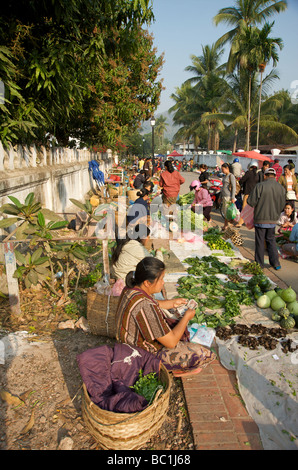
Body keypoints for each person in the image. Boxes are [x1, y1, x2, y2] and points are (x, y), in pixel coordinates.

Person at [115, 257, 216, 377]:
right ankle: (171, 371)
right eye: (161, 279)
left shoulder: (131, 288)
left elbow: (155, 302)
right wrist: (186, 317)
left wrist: (173, 303)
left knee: (177, 328)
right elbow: (171, 342)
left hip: (125, 343)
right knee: (203, 354)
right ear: (147, 282)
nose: (163, 282)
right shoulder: (145, 306)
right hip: (139, 355)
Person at [247, 167, 286, 270]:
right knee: (271, 240)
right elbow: (283, 206)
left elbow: (251, 202)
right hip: (273, 219)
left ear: (265, 175)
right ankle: (276, 263)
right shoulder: (281, 188)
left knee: (260, 242)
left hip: (260, 218)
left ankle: (259, 265)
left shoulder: (260, 186)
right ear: (275, 176)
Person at [235, 161, 259, 227]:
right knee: (252, 209)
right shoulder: (257, 174)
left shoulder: (248, 173)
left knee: (244, 208)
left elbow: (242, 181)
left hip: (247, 193)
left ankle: (240, 223)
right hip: (255, 194)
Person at [219, 163, 237, 231]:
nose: (222, 170)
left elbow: (233, 187)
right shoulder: (225, 176)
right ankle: (226, 225)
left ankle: (227, 225)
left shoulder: (231, 176)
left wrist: (233, 197)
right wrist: (220, 196)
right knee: (226, 211)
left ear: (227, 168)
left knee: (228, 212)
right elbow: (223, 187)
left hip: (228, 196)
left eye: (223, 169)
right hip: (224, 196)